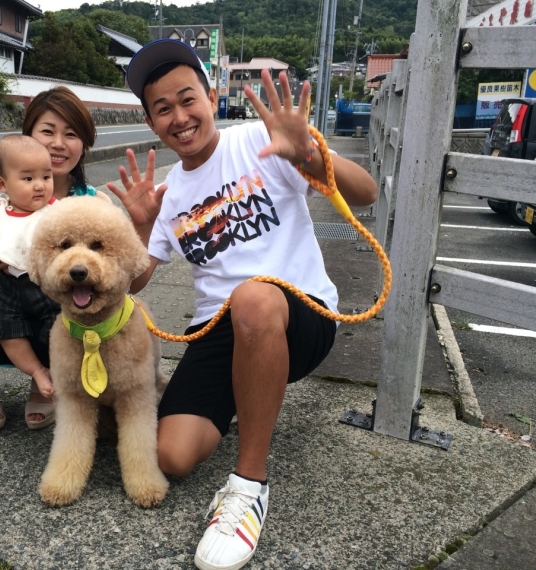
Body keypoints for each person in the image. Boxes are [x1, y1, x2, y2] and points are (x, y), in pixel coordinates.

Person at [107, 39, 377, 570]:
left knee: (251, 296)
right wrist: (139, 227)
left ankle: (249, 485)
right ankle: (247, 391)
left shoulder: (259, 140)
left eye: (188, 99)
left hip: (299, 314)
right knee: (171, 456)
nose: (179, 117)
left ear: (211, 97)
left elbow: (365, 192)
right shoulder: (167, 195)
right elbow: (133, 283)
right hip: (220, 328)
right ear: (150, 121)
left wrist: (307, 154)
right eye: (163, 108)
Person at [0, 86, 111, 431]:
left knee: (71, 327)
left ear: (84, 143)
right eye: (48, 131)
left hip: (51, 303)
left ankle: (45, 379)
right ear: (29, 134)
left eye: (71, 134)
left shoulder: (90, 204)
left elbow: (113, 277)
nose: (58, 143)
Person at [0, 135, 57, 410]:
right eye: (28, 178)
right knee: (6, 330)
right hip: (9, 287)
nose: (40, 185)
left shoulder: (56, 211)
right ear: (2, 185)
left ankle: (59, 373)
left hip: (47, 286)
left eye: (46, 176)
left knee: (61, 328)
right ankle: (37, 372)